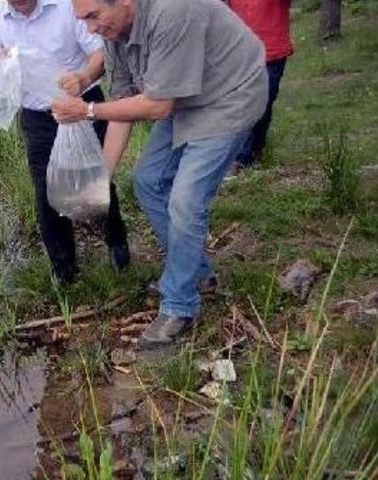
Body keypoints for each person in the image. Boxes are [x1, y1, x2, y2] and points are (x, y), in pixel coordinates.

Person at [52, 0, 267, 349]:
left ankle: (180, 304)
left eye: (93, 16)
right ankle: (196, 274)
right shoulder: (115, 30)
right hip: (184, 99)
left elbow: (158, 105)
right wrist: (101, 177)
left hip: (229, 96)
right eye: (83, 20)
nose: (89, 28)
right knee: (148, 182)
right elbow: (124, 101)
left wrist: (87, 110)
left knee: (186, 202)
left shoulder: (173, 11)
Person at [0, 0, 131, 284]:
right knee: (46, 189)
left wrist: (83, 76)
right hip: (38, 115)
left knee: (97, 178)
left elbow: (99, 53)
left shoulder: (68, 6)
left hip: (84, 104)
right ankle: (64, 268)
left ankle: (116, 240)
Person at [229, 0, 294, 170]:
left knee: (262, 104)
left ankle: (253, 150)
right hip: (239, 52)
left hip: (272, 52)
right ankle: (242, 157)